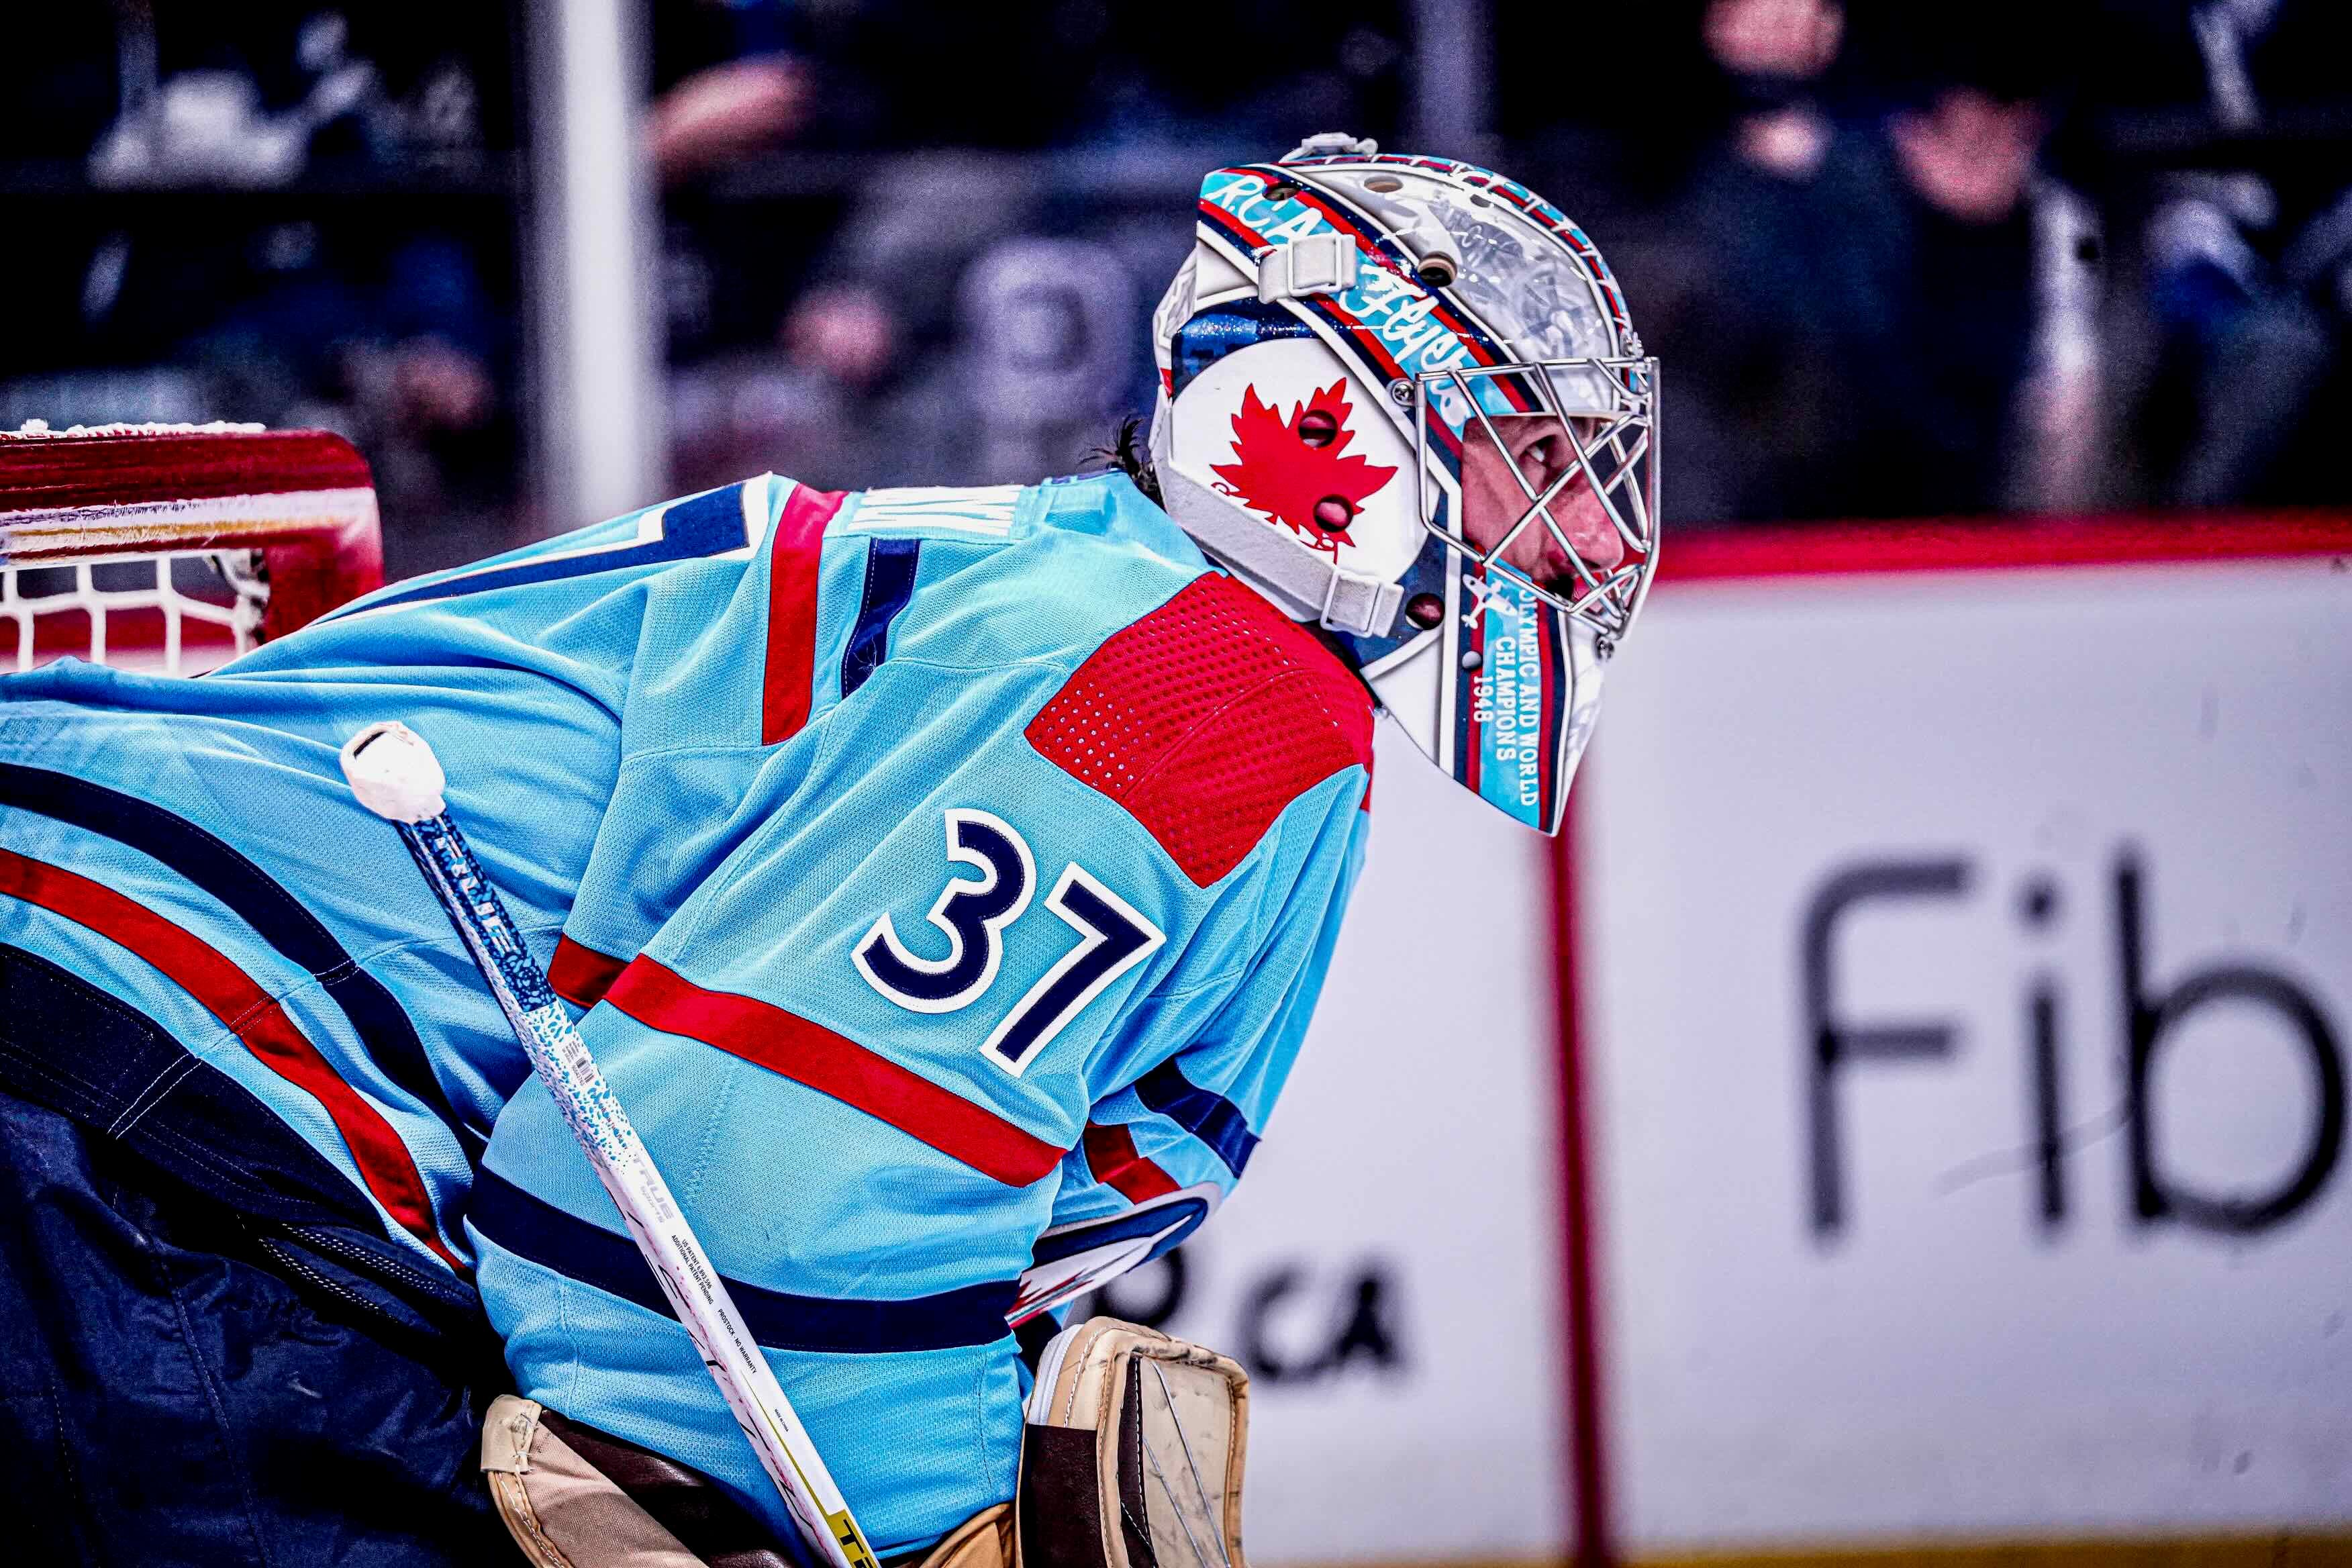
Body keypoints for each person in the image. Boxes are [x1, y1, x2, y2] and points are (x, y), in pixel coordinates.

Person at [0, 138, 1656, 1563]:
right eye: (1528, 457)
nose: (1585, 534)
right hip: (145, 1154)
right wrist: (940, 1519)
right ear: (1318, 437)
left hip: (119, 1110)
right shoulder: (1191, 681)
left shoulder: (1108, 614)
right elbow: (738, 1201)